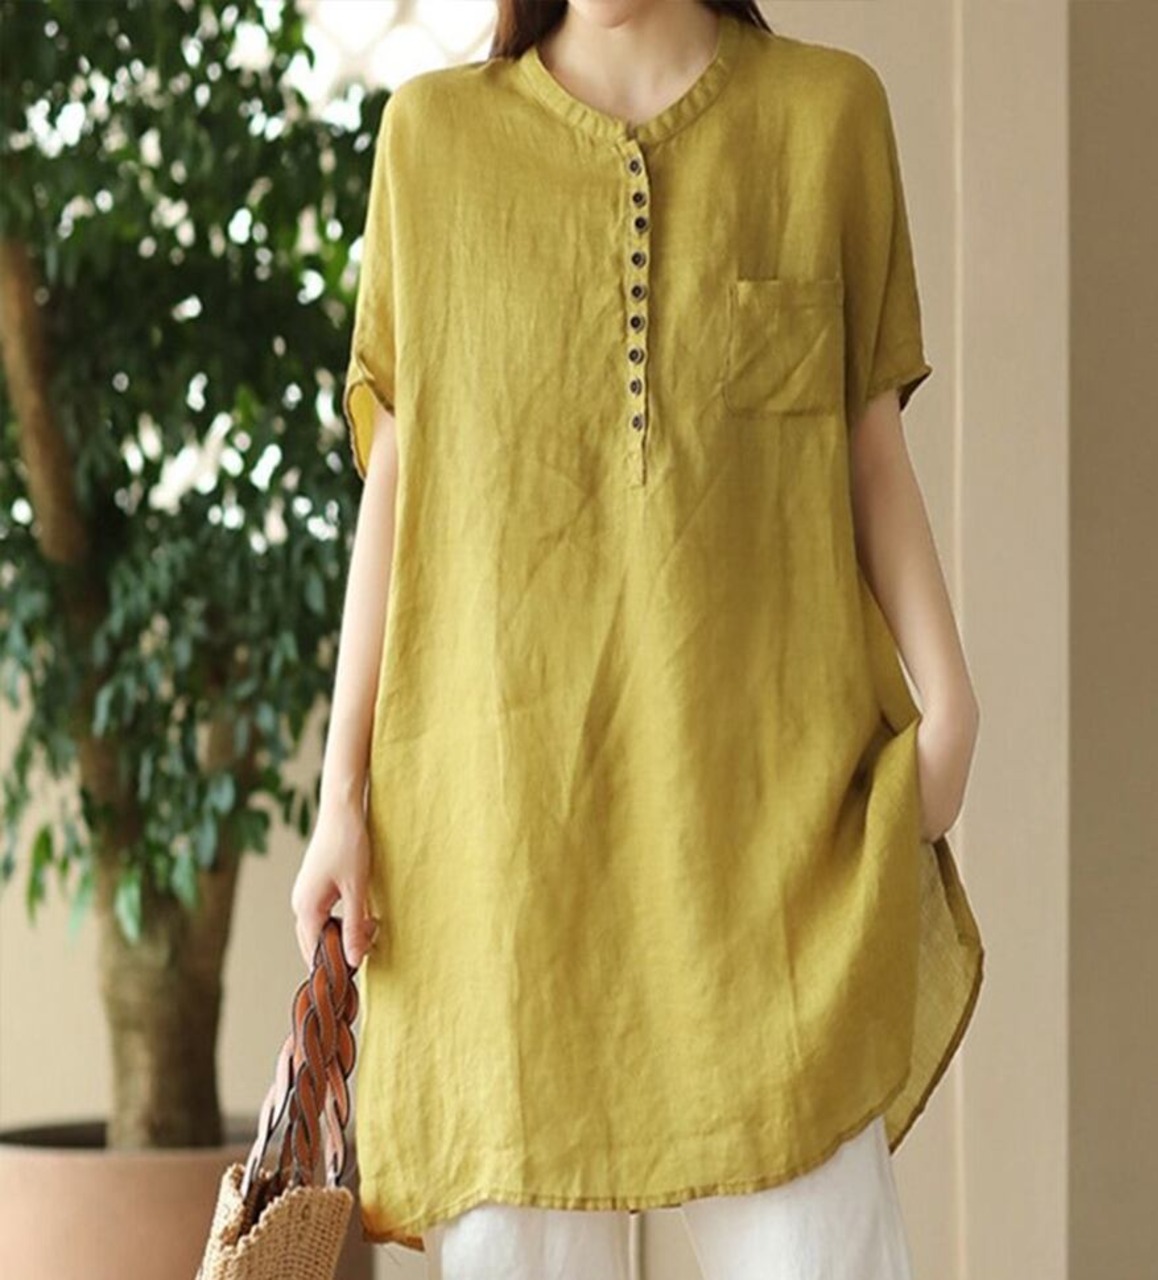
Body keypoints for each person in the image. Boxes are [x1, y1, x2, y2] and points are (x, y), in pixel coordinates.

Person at [291, 1, 985, 1277]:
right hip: (503, 874)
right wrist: (341, 798)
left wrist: (949, 707)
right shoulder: (432, 143)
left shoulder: (825, 117)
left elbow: (866, 446)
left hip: (769, 864)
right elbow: (398, 484)